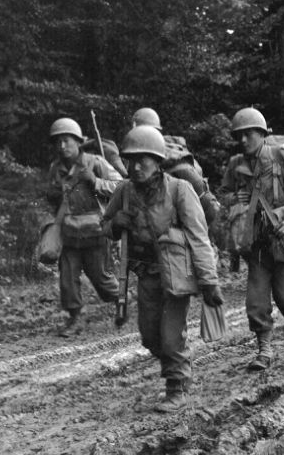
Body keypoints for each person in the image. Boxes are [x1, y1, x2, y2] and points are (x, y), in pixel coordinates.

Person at [103, 125, 222, 409]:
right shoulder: (124, 191)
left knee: (170, 336)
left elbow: (198, 237)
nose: (135, 166)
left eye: (143, 159)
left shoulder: (179, 190)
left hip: (177, 275)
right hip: (146, 274)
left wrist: (209, 281)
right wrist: (114, 224)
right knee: (149, 336)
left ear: (157, 161)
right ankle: (178, 369)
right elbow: (105, 226)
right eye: (130, 160)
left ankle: (177, 387)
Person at [218, 107, 284, 371]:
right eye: (239, 135)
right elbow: (224, 195)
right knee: (255, 302)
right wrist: (236, 200)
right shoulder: (236, 165)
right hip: (255, 243)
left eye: (249, 134)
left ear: (262, 133)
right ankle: (264, 350)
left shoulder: (283, 155)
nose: (243, 140)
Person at [45, 117, 122, 337]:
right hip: (69, 232)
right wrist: (53, 196)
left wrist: (96, 182)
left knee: (101, 278)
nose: (62, 147)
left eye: (67, 141)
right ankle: (75, 318)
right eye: (58, 142)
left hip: (95, 232)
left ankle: (121, 300)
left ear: (78, 142)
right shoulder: (56, 169)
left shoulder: (95, 162)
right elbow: (50, 199)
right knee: (67, 278)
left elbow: (121, 187)